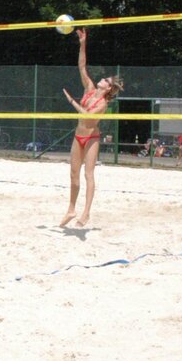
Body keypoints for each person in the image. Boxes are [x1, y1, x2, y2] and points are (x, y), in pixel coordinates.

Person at [60, 28, 124, 228]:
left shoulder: (103, 104)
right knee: (73, 174)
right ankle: (71, 209)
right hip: (78, 136)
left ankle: (85, 213)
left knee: (89, 174)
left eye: (106, 80)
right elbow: (82, 66)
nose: (102, 79)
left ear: (108, 88)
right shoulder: (89, 89)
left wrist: (71, 101)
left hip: (91, 138)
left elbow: (87, 116)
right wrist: (82, 43)